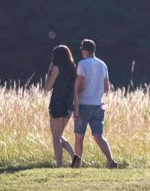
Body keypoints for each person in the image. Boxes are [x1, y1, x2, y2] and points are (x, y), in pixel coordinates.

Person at [72, 38, 118, 168]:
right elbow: (106, 89)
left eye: (82, 50)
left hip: (83, 104)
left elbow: (79, 87)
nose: (82, 52)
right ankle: (110, 160)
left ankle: (77, 165)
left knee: (79, 137)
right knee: (99, 136)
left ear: (85, 50)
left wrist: (76, 106)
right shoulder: (103, 65)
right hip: (98, 105)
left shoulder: (82, 64)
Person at [44, 45, 79, 167]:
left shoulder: (56, 68)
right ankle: (74, 156)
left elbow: (47, 87)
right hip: (68, 105)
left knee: (56, 137)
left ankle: (60, 165)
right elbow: (75, 90)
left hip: (57, 104)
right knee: (58, 135)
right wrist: (76, 108)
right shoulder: (73, 68)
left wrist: (49, 71)